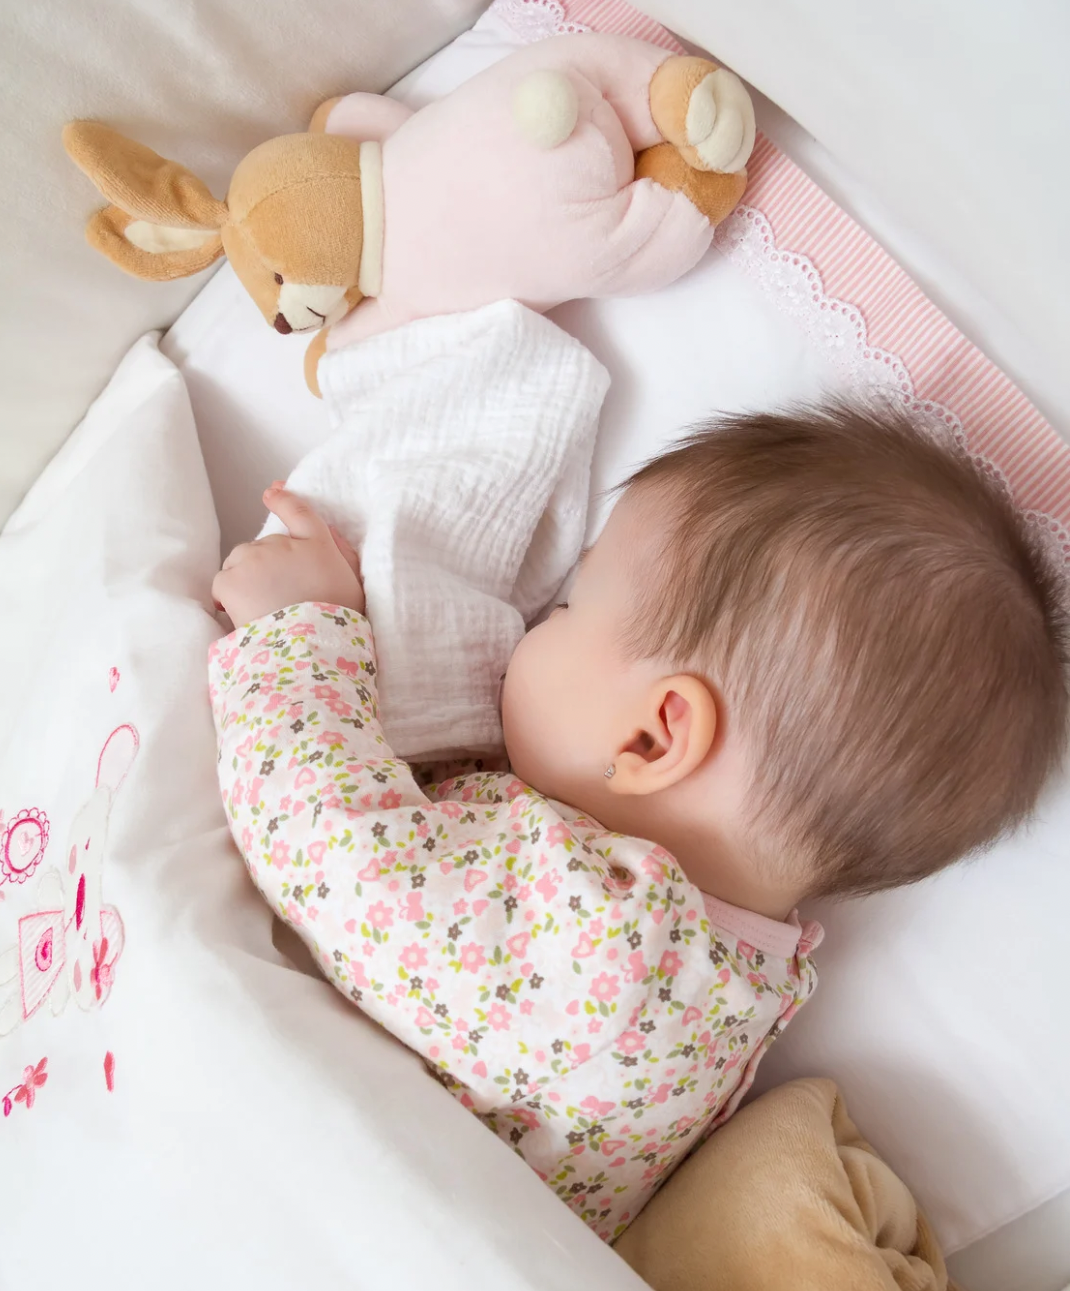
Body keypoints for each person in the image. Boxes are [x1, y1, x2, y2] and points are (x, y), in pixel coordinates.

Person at [209, 402, 1067, 1242]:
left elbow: (334, 856)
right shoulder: (728, 982)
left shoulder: (612, 952)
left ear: (653, 738)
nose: (536, 617)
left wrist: (297, 630)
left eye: (570, 606)